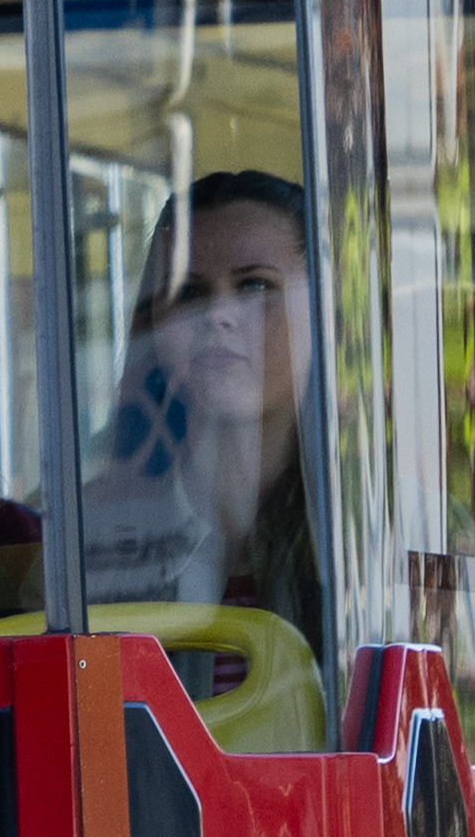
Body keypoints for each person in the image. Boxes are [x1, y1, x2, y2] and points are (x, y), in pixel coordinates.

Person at [76, 168, 325, 647]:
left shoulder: (400, 530)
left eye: (255, 286)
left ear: (323, 307)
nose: (219, 316)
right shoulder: (89, 534)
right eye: (189, 291)